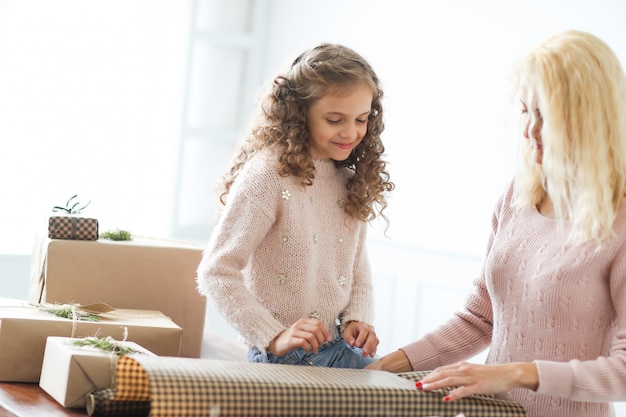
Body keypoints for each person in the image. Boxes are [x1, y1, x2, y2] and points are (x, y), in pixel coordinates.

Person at [366, 30, 626, 417]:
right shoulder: (517, 196)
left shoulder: (618, 224)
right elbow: (478, 319)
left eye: (547, 116)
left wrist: (516, 374)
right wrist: (381, 369)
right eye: (525, 110)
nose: (529, 131)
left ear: (591, 119)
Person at [196, 43, 394, 369]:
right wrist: (273, 335)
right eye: (334, 119)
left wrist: (358, 319)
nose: (351, 132)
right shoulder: (267, 176)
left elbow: (357, 271)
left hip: (337, 350)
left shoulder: (348, 179)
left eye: (361, 119)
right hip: (282, 358)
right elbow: (216, 271)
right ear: (298, 114)